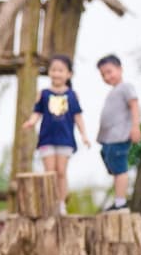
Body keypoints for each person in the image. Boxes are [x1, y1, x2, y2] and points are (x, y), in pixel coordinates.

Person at [22, 54, 90, 215]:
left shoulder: (72, 95)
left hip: (65, 140)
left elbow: (78, 117)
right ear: (49, 72)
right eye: (53, 70)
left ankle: (61, 203)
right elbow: (37, 112)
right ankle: (49, 202)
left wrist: (84, 135)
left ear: (69, 74)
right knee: (49, 172)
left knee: (61, 172)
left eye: (60, 70)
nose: (56, 73)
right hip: (47, 139)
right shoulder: (43, 93)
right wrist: (31, 122)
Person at [96, 54, 141, 212]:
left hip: (120, 136)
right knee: (113, 166)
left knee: (120, 169)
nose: (107, 77)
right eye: (103, 74)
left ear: (120, 69)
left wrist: (135, 127)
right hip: (108, 139)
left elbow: (134, 105)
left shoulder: (126, 87)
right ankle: (118, 199)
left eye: (109, 72)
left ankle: (121, 203)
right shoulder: (113, 92)